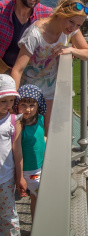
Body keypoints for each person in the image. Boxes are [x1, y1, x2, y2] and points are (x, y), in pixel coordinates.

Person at [11, 0, 88, 136]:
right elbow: (17, 69)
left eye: (78, 25)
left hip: (50, 90)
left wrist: (71, 49)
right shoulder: (35, 34)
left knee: (48, 131)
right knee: (29, 133)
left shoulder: (70, 30)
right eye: (71, 21)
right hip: (30, 91)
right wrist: (14, 101)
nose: (73, 28)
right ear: (61, 12)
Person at [0, 0, 52, 71]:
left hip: (29, 74)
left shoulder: (45, 14)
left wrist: (72, 47)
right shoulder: (2, 10)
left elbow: (68, 23)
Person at [13, 84, 47, 220]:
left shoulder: (40, 119)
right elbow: (17, 152)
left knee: (36, 196)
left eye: (32, 105)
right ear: (17, 105)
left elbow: (41, 139)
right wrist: (19, 176)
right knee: (39, 195)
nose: (28, 109)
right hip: (30, 172)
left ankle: (37, 224)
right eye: (24, 105)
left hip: (42, 165)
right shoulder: (19, 125)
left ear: (38, 106)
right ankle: (38, 225)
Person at [0, 74, 27, 236]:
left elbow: (17, 150)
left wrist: (20, 176)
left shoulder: (13, 120)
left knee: (8, 214)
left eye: (11, 100)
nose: (8, 105)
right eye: (3, 100)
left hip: (5, 178)